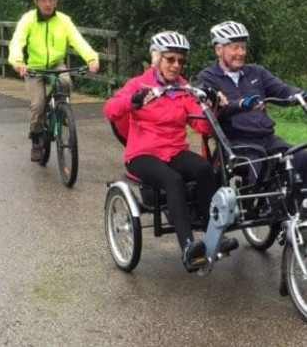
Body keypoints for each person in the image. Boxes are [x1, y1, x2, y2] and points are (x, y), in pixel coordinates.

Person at [103, 31, 237, 273]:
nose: (176, 65)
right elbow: (110, 110)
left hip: (174, 150)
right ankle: (187, 246)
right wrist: (133, 101)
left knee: (204, 169)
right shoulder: (139, 85)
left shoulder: (183, 89)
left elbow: (201, 126)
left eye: (180, 61)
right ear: (157, 59)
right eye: (170, 59)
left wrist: (213, 106)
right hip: (142, 154)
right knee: (173, 181)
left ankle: (211, 235)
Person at [198, 20, 307, 189]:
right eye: (235, 47)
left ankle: (299, 208)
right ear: (219, 49)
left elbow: (283, 90)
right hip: (235, 142)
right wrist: (241, 104)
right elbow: (214, 108)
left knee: (301, 157)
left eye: (243, 47)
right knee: (260, 167)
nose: (241, 53)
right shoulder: (208, 77)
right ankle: (255, 210)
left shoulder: (256, 72)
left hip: (267, 138)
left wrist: (301, 95)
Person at [8, 0, 100, 162]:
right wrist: (18, 61)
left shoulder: (64, 21)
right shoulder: (29, 20)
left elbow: (78, 41)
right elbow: (17, 41)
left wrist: (91, 58)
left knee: (65, 82)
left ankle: (61, 111)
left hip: (56, 64)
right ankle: (36, 140)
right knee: (38, 104)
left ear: (56, 1)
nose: (47, 3)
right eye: (43, 0)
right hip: (34, 66)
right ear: (36, 1)